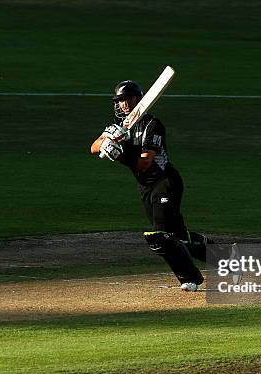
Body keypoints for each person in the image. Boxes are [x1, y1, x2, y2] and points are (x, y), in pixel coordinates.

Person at [90, 80, 211, 291]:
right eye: (119, 101)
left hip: (165, 181)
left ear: (137, 99)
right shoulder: (118, 127)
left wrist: (120, 155)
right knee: (179, 237)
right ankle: (229, 260)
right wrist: (107, 143)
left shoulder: (152, 125)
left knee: (160, 236)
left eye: (127, 99)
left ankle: (190, 278)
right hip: (145, 187)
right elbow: (93, 146)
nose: (123, 105)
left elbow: (145, 162)